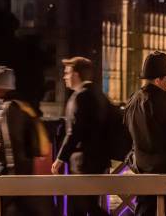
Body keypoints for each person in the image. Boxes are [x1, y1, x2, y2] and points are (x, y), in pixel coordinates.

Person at [124, 51, 166, 216]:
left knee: (145, 210)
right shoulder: (165, 101)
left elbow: (125, 133)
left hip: (143, 169)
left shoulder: (132, 100)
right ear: (159, 78)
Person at [0, 66, 52, 216]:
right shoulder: (18, 105)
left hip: (10, 171)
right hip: (19, 170)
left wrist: (14, 177)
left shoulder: (9, 108)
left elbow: (12, 143)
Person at [51, 57, 110, 216]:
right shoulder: (98, 95)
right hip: (97, 161)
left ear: (76, 75)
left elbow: (75, 131)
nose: (64, 77)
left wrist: (60, 158)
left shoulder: (80, 96)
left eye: (67, 73)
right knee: (87, 206)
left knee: (82, 207)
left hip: (83, 163)